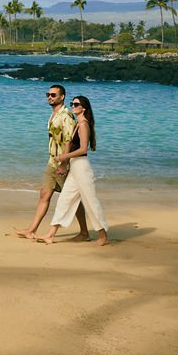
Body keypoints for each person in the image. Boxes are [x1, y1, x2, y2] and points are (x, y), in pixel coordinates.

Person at [14, 85, 88, 240]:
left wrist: (64, 163)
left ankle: (84, 232)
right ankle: (31, 230)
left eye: (53, 95)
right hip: (52, 161)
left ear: (62, 97)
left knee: (72, 198)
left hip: (63, 162)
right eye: (48, 94)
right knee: (44, 194)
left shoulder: (66, 116)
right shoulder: (54, 114)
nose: (49, 97)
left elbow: (68, 141)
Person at [37, 95, 110, 246]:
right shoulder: (78, 123)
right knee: (65, 199)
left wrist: (63, 157)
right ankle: (50, 235)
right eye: (72, 103)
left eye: (76, 104)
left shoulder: (83, 124)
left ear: (84, 108)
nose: (73, 106)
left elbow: (83, 149)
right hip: (75, 167)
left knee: (90, 202)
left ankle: (103, 236)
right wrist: (65, 162)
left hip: (82, 167)